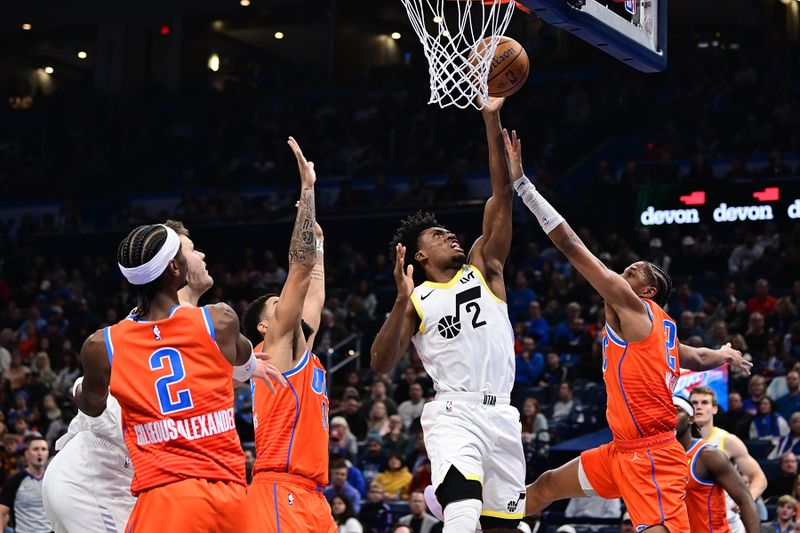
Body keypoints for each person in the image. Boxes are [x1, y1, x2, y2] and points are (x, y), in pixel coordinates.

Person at [503, 128, 752, 533]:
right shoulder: (666, 330)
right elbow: (696, 356)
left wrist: (524, 187)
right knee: (547, 484)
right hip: (620, 450)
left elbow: (570, 245)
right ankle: (483, 523)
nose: (630, 267)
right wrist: (723, 354)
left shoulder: (632, 304)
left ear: (649, 291)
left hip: (653, 453)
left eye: (639, 270)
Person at [371, 98, 525, 532]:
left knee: (504, 527)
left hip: (504, 416)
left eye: (449, 231)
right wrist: (401, 301)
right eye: (439, 236)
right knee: (462, 511)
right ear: (420, 255)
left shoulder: (484, 266)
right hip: (455, 412)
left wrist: (490, 116)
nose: (451, 235)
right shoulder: (416, 300)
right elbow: (380, 364)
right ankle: (447, 500)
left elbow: (500, 193)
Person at [75, 222, 284, 532]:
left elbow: (91, 405)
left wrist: (82, 388)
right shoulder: (218, 319)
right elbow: (243, 361)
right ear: (175, 266)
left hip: (166, 500)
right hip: (230, 495)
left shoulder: (101, 345)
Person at [41, 219, 215, 533]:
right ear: (172, 265)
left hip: (115, 478)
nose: (202, 255)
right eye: (192, 250)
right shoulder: (149, 330)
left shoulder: (179, 324)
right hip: (96, 472)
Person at [242, 137, 334, 533]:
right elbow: (301, 270)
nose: (289, 306)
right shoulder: (275, 346)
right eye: (278, 305)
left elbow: (314, 292)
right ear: (265, 325)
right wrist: (308, 189)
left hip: (311, 495)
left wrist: (319, 241)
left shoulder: (300, 349)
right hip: (280, 491)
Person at [672, 395, 759, 533]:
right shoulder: (660, 457)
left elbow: (745, 499)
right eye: (667, 411)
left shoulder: (707, 455)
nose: (670, 416)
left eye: (676, 410)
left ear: (691, 418)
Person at [690, 386, 767, 532]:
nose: (698, 407)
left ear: (714, 409)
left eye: (704, 402)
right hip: (693, 521)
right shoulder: (680, 442)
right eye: (694, 403)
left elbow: (759, 477)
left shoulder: (728, 440)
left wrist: (747, 498)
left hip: (728, 521)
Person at [0, 435, 50, 533]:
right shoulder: (15, 481)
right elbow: (1, 512)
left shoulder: (54, 480)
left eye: (43, 449)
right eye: (35, 449)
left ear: (47, 453)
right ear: (27, 454)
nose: (40, 453)